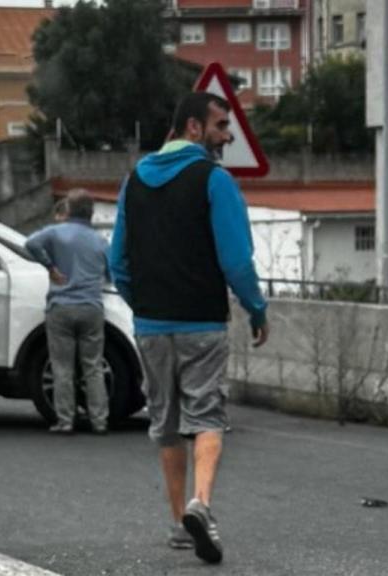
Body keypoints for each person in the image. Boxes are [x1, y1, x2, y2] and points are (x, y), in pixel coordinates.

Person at [108, 92, 269, 564]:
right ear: (194, 128)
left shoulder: (133, 181)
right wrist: (256, 310)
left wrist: (145, 307)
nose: (227, 136)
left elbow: (117, 262)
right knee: (208, 416)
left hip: (152, 326)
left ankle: (180, 522)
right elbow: (236, 260)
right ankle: (202, 503)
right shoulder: (214, 180)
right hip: (201, 322)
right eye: (221, 126)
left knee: (166, 421)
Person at [25, 190, 111, 435]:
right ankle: (99, 420)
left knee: (63, 367)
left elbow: (30, 244)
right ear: (91, 213)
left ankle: (65, 420)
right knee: (93, 366)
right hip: (91, 307)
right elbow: (110, 273)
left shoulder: (55, 233)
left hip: (61, 306)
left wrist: (50, 266)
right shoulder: (101, 241)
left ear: (69, 210)